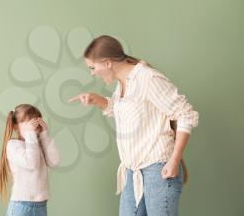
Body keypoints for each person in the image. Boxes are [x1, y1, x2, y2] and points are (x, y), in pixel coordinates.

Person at [69, 35, 199, 216]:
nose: (92, 73)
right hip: (132, 170)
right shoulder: (124, 82)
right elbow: (127, 112)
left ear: (107, 63)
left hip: (158, 170)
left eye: (92, 68)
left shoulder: (148, 78)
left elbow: (185, 113)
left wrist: (174, 160)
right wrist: (96, 100)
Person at [0, 104, 60, 216]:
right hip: (22, 206)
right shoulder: (13, 145)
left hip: (41, 205)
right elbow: (31, 163)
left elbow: (54, 161)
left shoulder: (38, 145)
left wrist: (45, 135)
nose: (34, 127)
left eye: (36, 122)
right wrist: (30, 135)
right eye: (30, 123)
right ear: (16, 126)